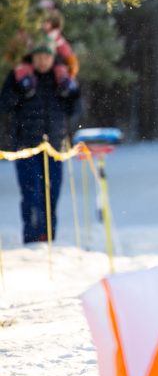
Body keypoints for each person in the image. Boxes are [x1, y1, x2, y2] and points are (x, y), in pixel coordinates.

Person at [0, 35, 81, 244]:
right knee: (31, 194)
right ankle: (31, 238)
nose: (43, 61)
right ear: (32, 57)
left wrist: (71, 92)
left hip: (55, 147)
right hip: (27, 146)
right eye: (39, 56)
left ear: (53, 57)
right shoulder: (20, 76)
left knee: (51, 196)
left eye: (47, 56)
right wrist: (20, 90)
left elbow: (76, 110)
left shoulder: (60, 78)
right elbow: (4, 105)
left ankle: (48, 238)